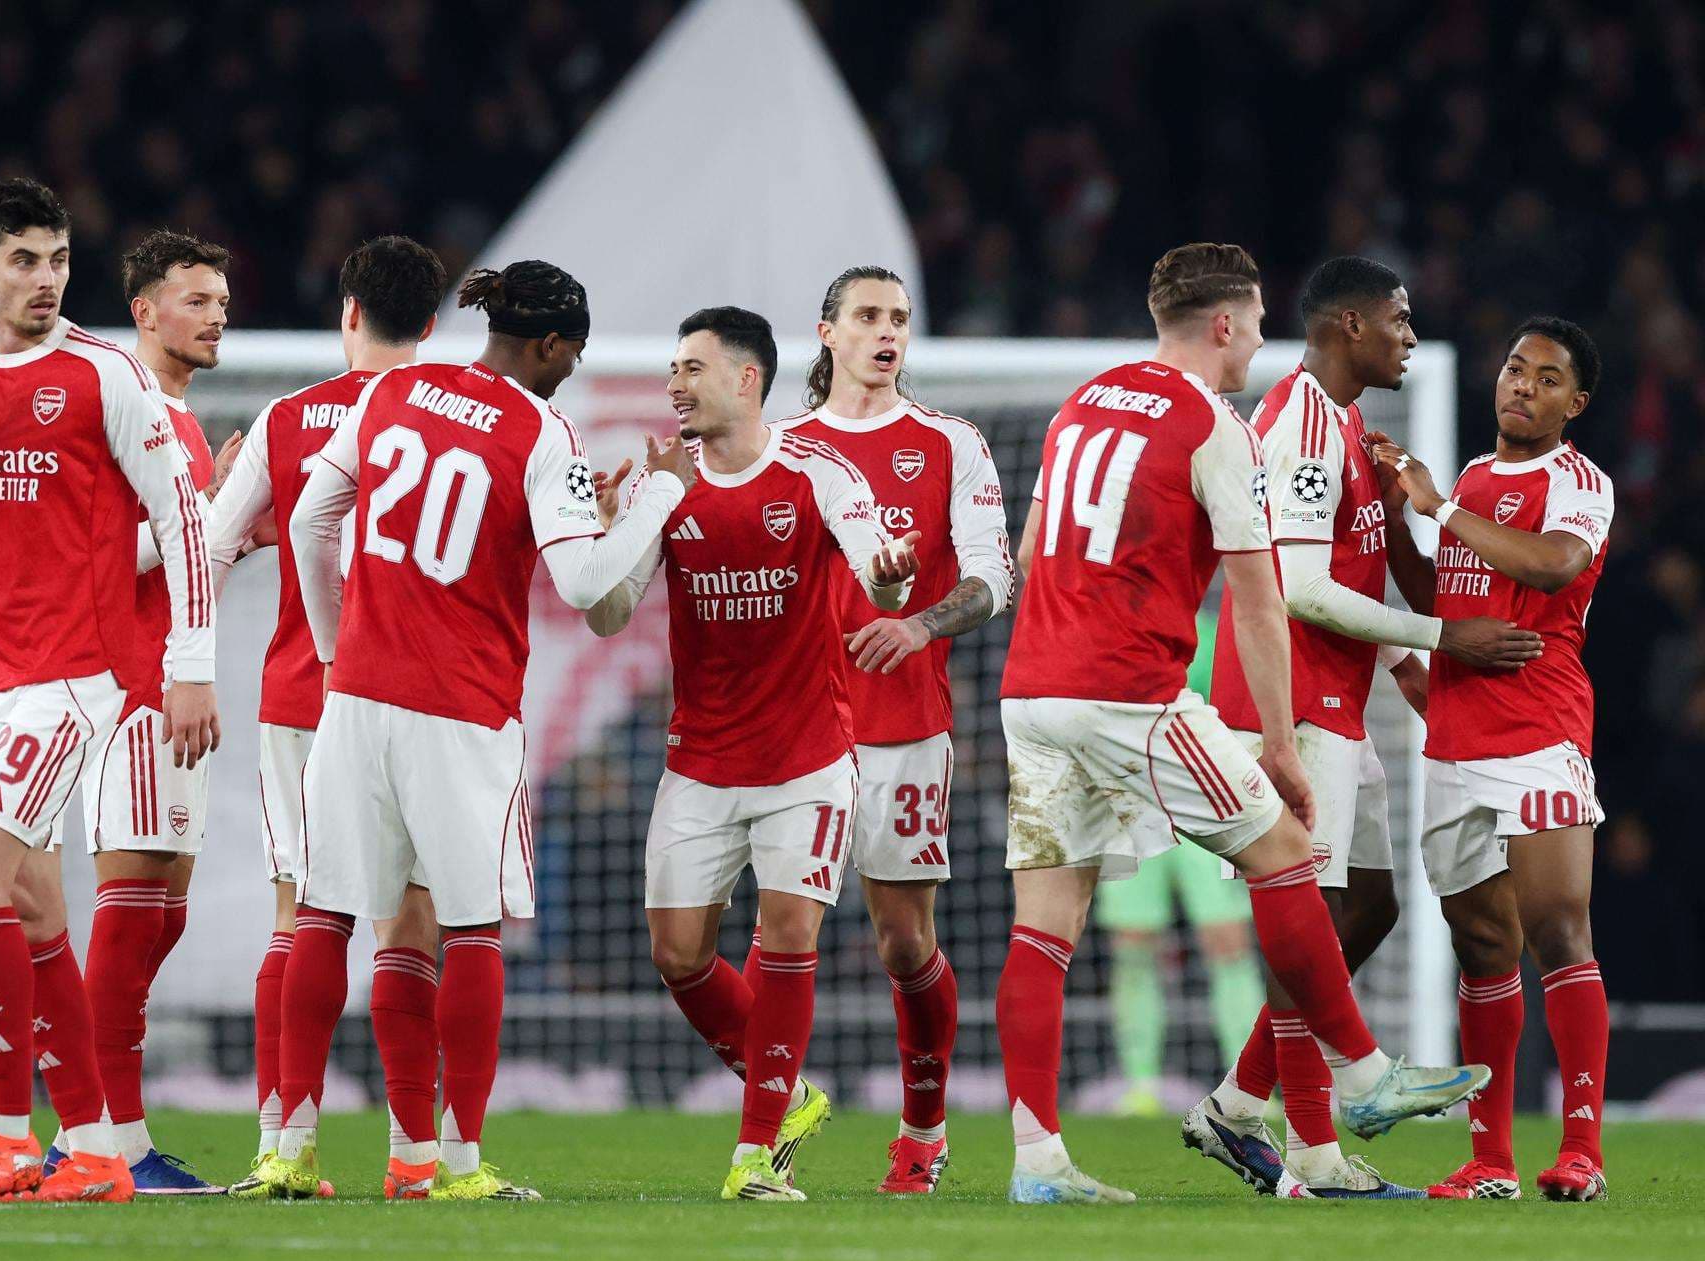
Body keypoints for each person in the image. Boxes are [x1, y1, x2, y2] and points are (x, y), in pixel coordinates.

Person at [997, 242, 1487, 1205]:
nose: (1262, 339)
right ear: (1225, 324)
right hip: (1130, 691)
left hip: (1033, 690)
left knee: (1042, 933)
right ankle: (1362, 1075)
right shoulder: (1213, 427)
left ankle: (1037, 1162)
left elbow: (1028, 549)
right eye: (1257, 322)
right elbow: (1264, 604)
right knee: (1287, 850)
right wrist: (1271, 739)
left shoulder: (1079, 407)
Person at [241, 259, 692, 1202]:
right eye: (574, 350)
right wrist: (655, 497)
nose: (574, 366)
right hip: (461, 708)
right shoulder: (541, 428)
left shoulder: (394, 388)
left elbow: (316, 518)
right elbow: (582, 588)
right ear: (554, 343)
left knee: (322, 913)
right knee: (471, 927)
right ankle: (455, 1163)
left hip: (356, 696)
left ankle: (290, 1147)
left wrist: (336, 646)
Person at [0, 179, 218, 1203]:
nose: (45, 278)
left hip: (71, 676)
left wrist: (191, 665)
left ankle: (8, 1132)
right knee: (30, 904)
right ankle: (97, 1143)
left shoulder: (104, 374)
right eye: (23, 259)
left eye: (57, 258)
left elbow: (183, 518)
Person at [1189, 256, 1542, 1192]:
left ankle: (1235, 1104)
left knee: (1369, 905)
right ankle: (1314, 1149)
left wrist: (1408, 668)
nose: (1412, 336)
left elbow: (1340, 569)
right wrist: (1443, 634)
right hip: (1294, 705)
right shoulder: (1302, 422)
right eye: (1399, 318)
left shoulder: (1345, 423)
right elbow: (1301, 590)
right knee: (1309, 915)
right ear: (1349, 325)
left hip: (1339, 701)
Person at [586, 306, 919, 1202]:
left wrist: (889, 574)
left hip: (807, 759)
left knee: (788, 934)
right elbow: (609, 614)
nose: (674, 384)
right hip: (699, 762)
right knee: (678, 953)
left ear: (747, 378)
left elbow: (876, 566)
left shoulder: (818, 472)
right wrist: (616, 522)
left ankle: (755, 1150)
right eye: (671, 369)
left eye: (692, 368)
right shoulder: (666, 480)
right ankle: (792, 1090)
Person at [205, 235, 447, 1195]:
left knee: (301, 913)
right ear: (430, 325)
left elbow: (208, 549)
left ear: (348, 311)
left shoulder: (288, 419)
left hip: (306, 694)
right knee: (413, 926)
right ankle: (416, 1155)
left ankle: (284, 1142)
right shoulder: (460, 419)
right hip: (423, 701)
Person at [775, 266, 1013, 1192]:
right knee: (781, 930)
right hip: (795, 730)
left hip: (906, 724)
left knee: (902, 942)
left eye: (901, 319)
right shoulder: (784, 444)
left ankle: (924, 1130)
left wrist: (919, 621)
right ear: (827, 331)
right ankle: (767, 1131)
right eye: (869, 316)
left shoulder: (949, 443)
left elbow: (997, 576)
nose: (888, 332)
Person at [1372, 316, 1614, 1203]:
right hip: (1455, 740)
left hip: (1540, 736)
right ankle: (1492, 1161)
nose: (1523, 385)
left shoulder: (1578, 480)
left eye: (1548, 378)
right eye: (1516, 367)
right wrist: (1395, 511)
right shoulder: (1473, 477)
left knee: (1559, 931)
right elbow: (1445, 597)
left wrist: (1438, 507)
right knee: (1482, 952)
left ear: (1573, 403)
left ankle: (1581, 1148)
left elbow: (1554, 567)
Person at [42, 230, 231, 1194]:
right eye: (195, 299)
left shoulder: (184, 419)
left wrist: (221, 516)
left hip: (175, 687)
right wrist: (207, 506)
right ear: (145, 311)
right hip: (127, 689)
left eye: (222, 300)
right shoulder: (122, 406)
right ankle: (97, 1137)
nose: (216, 315)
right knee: (129, 913)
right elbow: (101, 563)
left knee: (163, 916)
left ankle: (104, 1128)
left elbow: (186, 555)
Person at [1091, 609, 1264, 1118]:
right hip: (1127, 802)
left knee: (1227, 940)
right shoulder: (1112, 625)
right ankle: (1140, 1084)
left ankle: (1249, 1086)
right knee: (1134, 945)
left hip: (1202, 800)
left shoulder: (1211, 631)